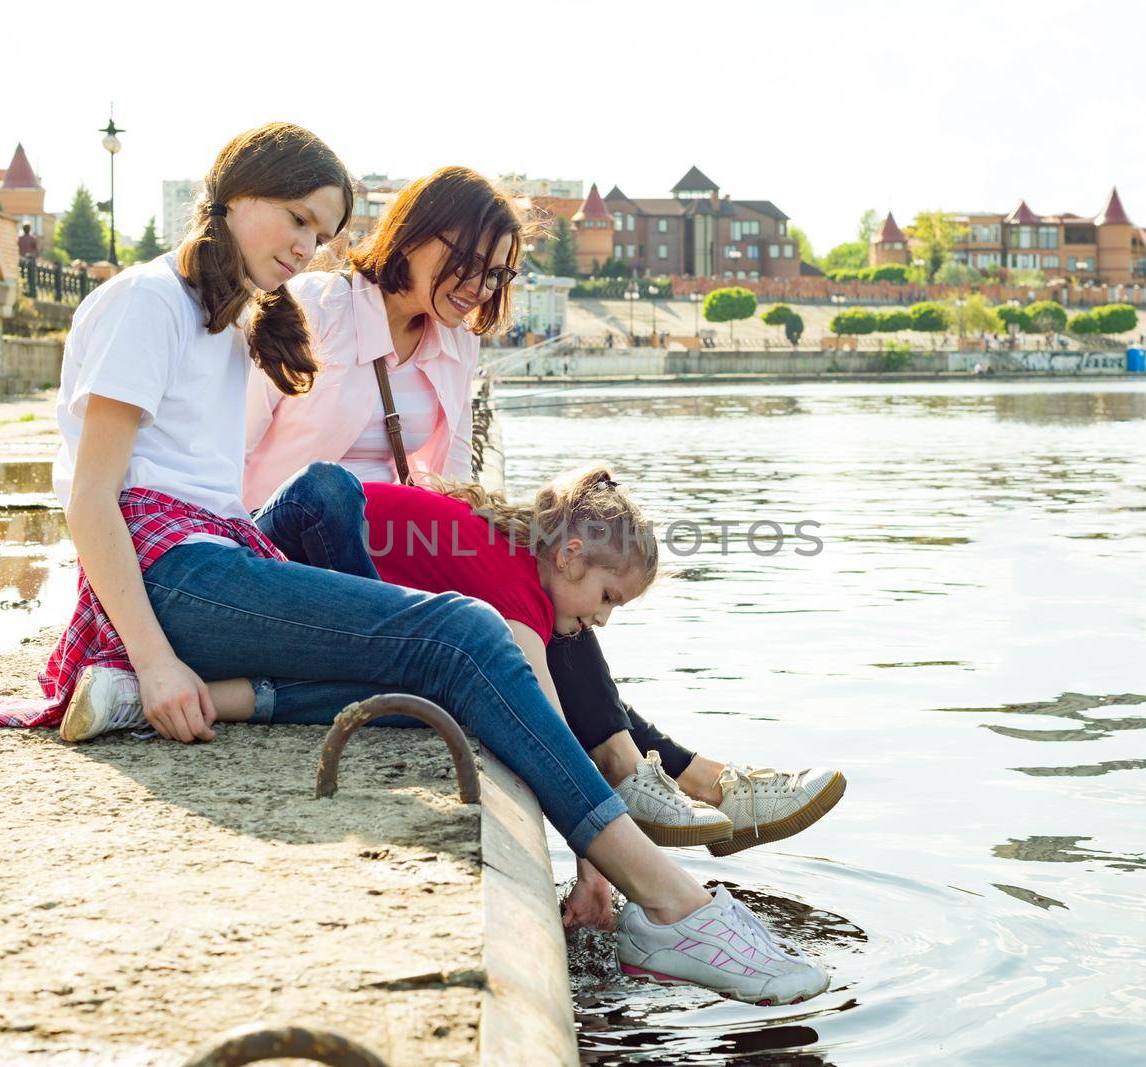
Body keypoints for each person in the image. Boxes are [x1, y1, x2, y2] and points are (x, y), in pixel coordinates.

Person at [48, 122, 826, 1006]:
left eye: (320, 230)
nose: (304, 246)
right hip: (176, 569)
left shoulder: (229, 323)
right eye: (294, 218)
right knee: (466, 633)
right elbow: (91, 497)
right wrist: (152, 658)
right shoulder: (147, 301)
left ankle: (647, 852)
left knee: (471, 658)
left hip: (223, 560)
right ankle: (671, 899)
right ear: (229, 195)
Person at [239, 167, 843, 874]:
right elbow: (230, 451)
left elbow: (446, 483)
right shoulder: (314, 307)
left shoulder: (456, 345)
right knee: (522, 589)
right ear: (414, 235)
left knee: (548, 584)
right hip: (293, 541)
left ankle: (675, 778)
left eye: (498, 275)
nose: (482, 288)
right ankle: (670, 780)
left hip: (387, 550)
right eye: (469, 264)